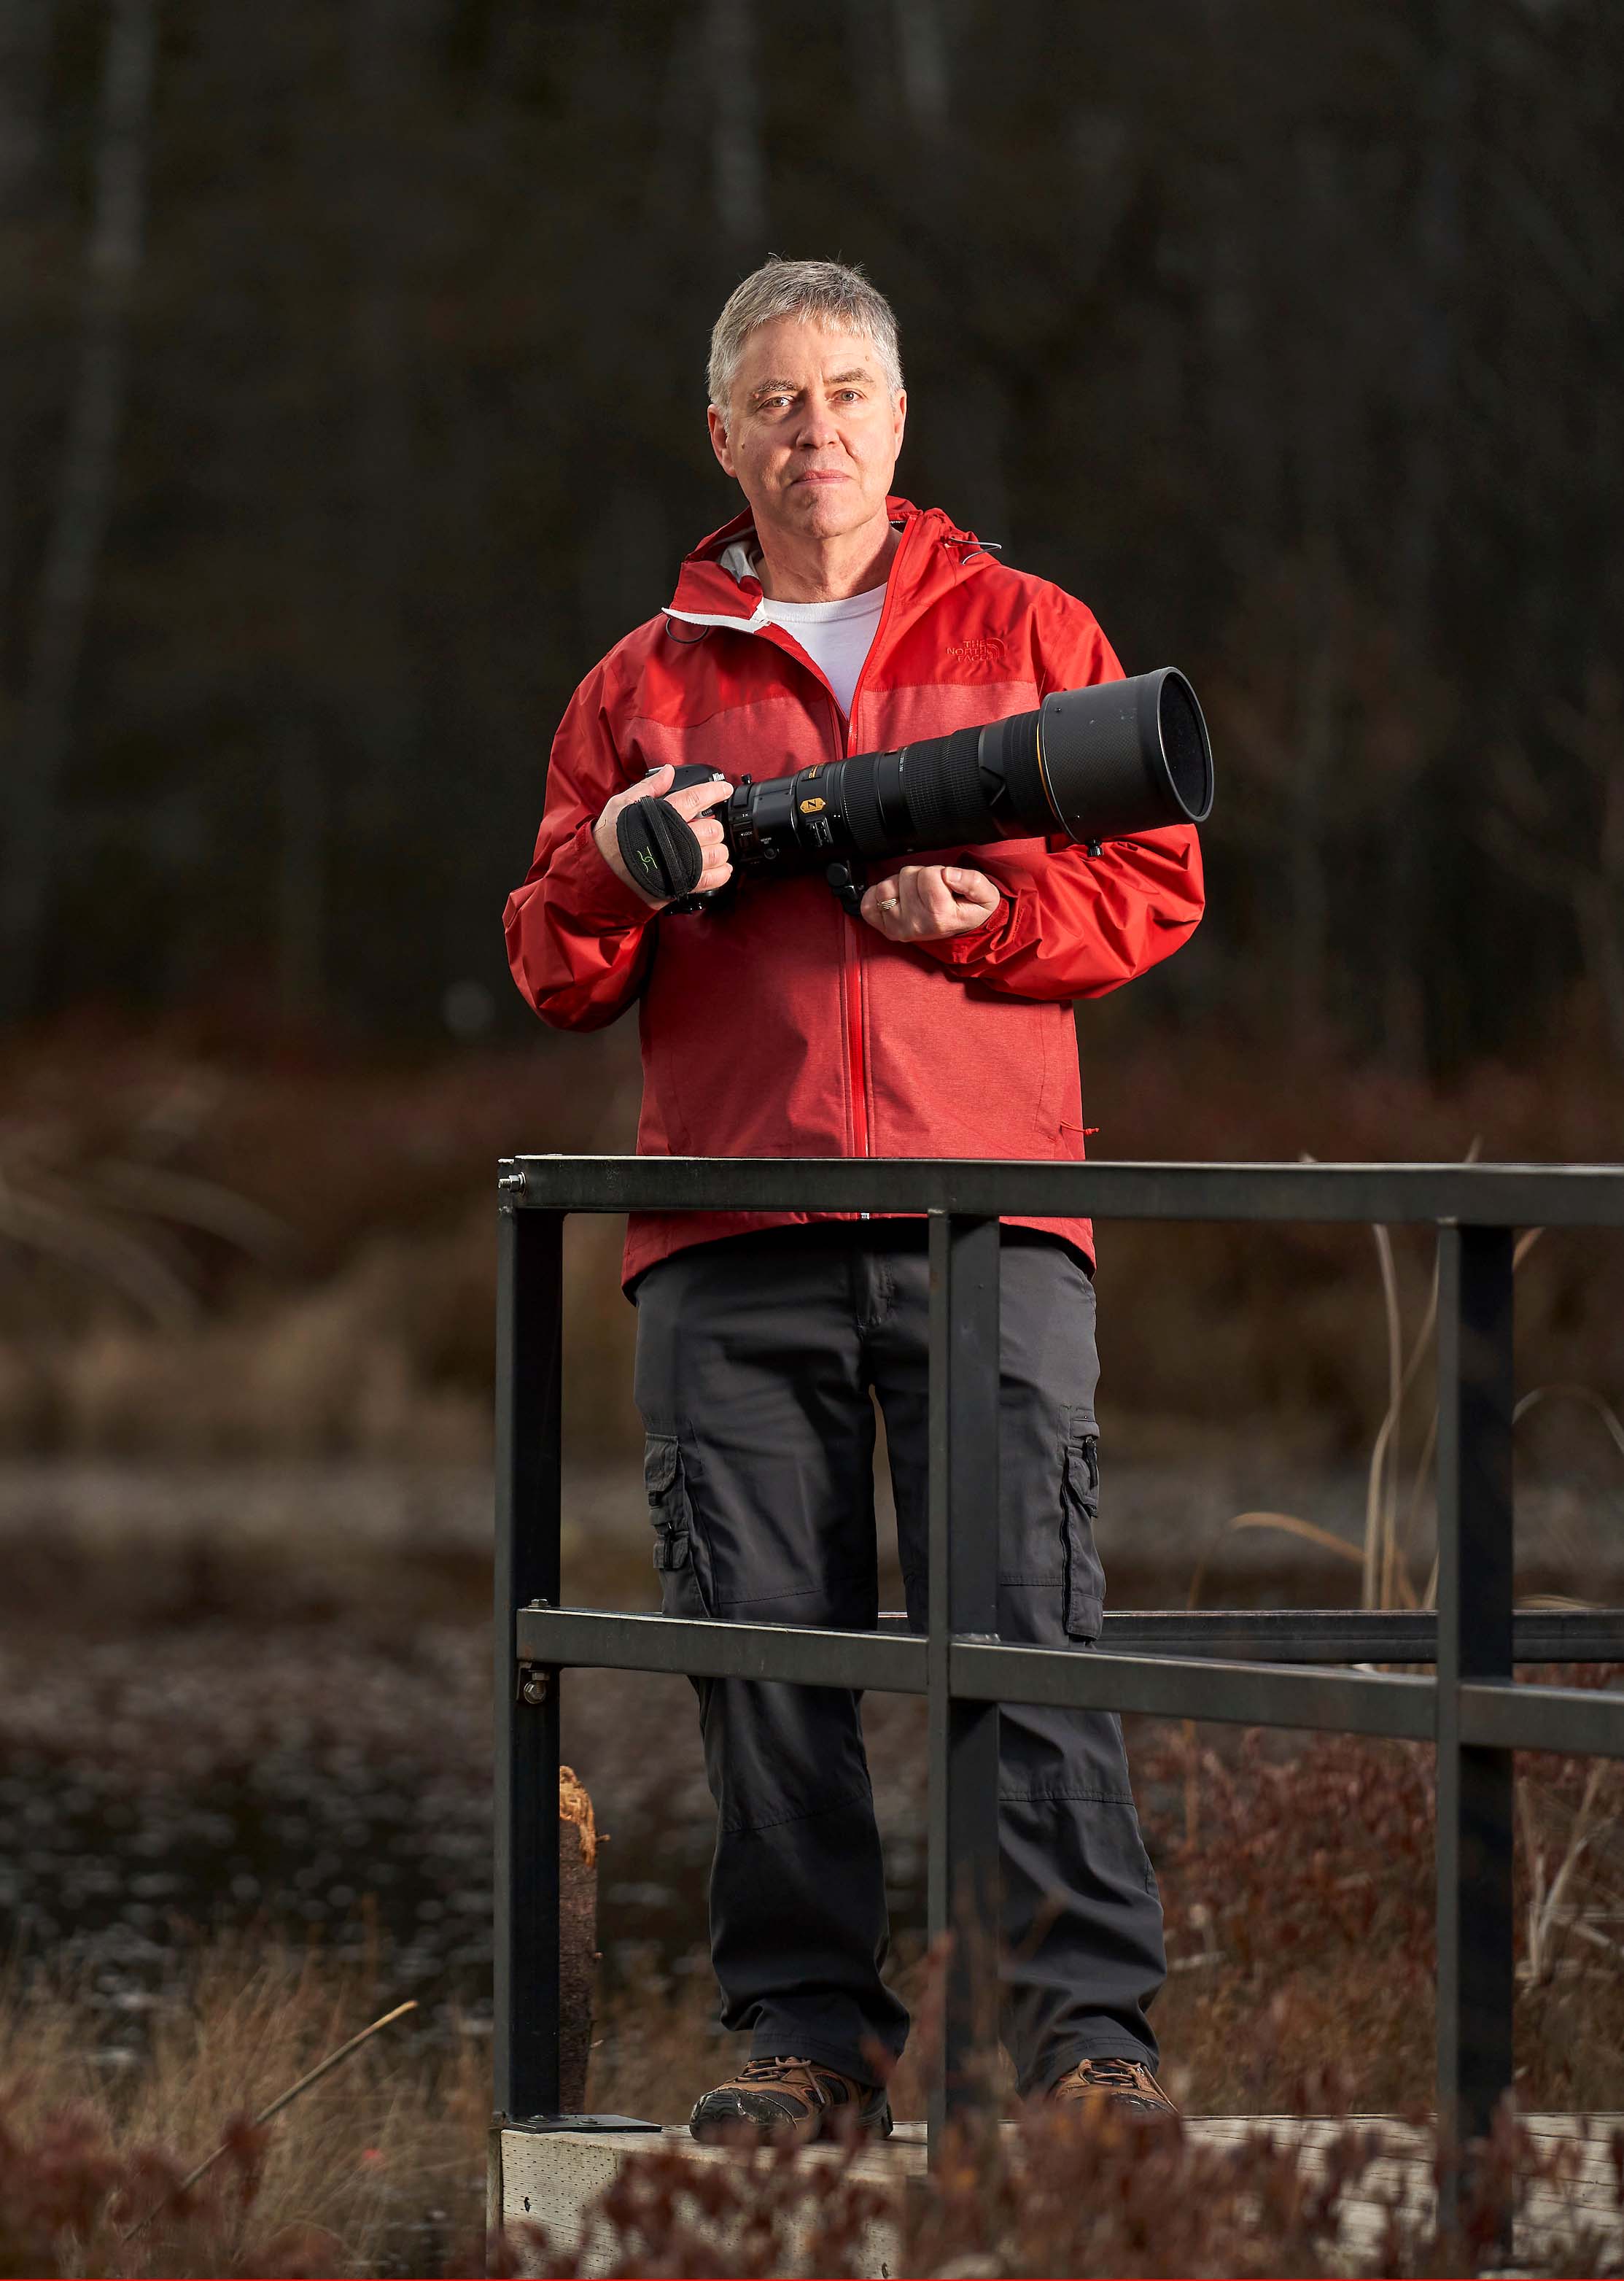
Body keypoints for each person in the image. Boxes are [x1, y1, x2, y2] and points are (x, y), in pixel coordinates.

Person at [505, 257, 1204, 2145]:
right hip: (729, 1234)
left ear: (898, 420)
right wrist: (626, 878)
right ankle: (808, 2044)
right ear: (721, 433)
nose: (812, 431)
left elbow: (1154, 882)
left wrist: (989, 921)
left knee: (1024, 1631)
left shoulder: (1034, 628)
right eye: (774, 401)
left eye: (844, 395)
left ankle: (1081, 2056)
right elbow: (548, 961)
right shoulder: (640, 679)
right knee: (762, 1661)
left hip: (991, 1221)